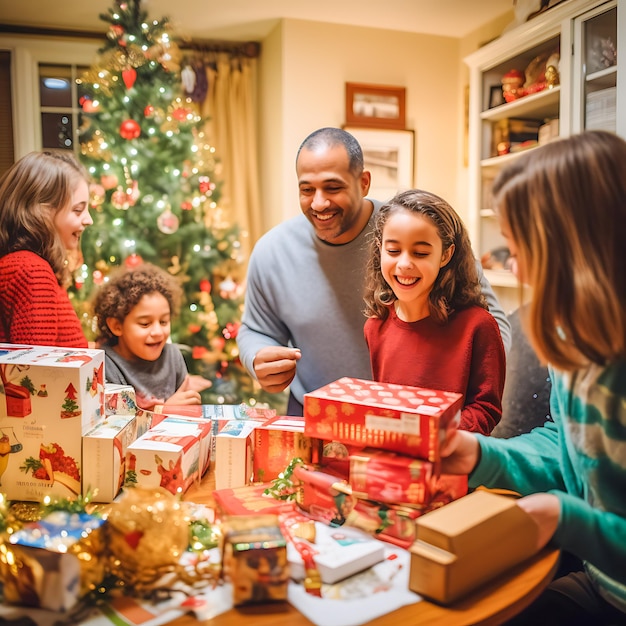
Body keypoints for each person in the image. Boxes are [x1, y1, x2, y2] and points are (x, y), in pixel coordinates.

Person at [439, 130, 626, 625]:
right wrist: (478, 453)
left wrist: (565, 519)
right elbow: (564, 448)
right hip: (600, 581)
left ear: (573, 248)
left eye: (519, 247)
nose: (512, 265)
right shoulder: (570, 337)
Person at [237, 127, 511, 415]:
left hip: (413, 420)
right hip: (314, 413)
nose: (319, 203)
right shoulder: (272, 251)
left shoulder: (411, 229)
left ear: (364, 182)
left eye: (333, 187)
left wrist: (467, 404)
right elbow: (255, 329)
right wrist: (257, 357)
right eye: (307, 189)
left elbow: (492, 325)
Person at [363, 189, 505, 435]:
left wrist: (428, 433)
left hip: (452, 464)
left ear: (445, 255)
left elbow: (486, 410)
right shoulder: (376, 326)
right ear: (380, 248)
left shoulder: (478, 326)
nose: (405, 264)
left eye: (420, 253)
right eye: (393, 251)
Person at [0, 151, 92, 347]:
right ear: (41, 211)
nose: (88, 220)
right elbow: (35, 371)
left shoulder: (20, 264)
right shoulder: (32, 271)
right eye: (78, 210)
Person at [92, 262, 203, 410]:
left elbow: (186, 409)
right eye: (145, 324)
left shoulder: (173, 356)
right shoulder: (106, 365)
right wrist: (164, 410)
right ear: (117, 326)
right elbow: (115, 424)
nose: (157, 332)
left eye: (163, 321)